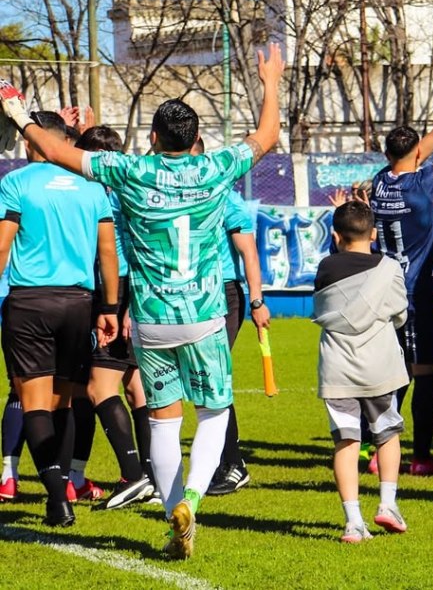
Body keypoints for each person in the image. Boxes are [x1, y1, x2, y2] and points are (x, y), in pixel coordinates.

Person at [0, 44, 285, 556]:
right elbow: (266, 136)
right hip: (204, 314)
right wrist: (271, 81)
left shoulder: (131, 170)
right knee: (214, 412)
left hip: (151, 320)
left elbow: (59, 152)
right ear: (195, 140)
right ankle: (191, 501)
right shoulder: (215, 167)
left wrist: (20, 115)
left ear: (153, 137)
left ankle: (173, 510)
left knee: (162, 419)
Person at [0, 109, 120, 526]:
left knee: (33, 402)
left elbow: (2, 246)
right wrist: (108, 307)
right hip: (78, 303)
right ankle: (65, 485)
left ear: (31, 142)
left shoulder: (16, 183)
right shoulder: (91, 188)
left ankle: (56, 497)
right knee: (64, 401)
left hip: (30, 302)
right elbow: (108, 252)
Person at [368, 81, 433, 476]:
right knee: (424, 375)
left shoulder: (380, 181)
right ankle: (420, 457)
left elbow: (412, 154)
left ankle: (379, 451)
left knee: (392, 374)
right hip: (417, 294)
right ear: (416, 155)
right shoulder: (421, 183)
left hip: (383, 294)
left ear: (387, 155)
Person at [313, 200, 409, 544]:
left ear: (336, 236)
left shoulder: (325, 268)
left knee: (346, 440)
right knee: (387, 433)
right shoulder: (390, 268)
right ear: (373, 234)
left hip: (337, 366)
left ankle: (353, 522)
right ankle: (387, 505)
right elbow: (400, 314)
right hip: (379, 363)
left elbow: (322, 308)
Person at [72, 125, 157, 510]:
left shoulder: (101, 194)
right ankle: (154, 477)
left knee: (97, 389)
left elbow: (128, 251)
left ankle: (134, 474)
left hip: (113, 292)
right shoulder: (128, 188)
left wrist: (121, 307)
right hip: (131, 291)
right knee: (136, 387)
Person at [189, 137, 272, 497]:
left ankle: (234, 464)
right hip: (188, 293)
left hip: (223, 294)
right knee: (199, 380)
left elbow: (248, 252)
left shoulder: (226, 198)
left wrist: (257, 301)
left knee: (211, 377)